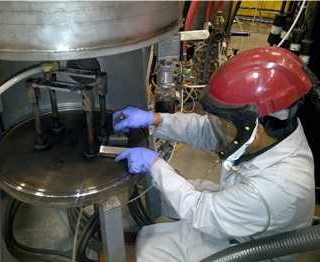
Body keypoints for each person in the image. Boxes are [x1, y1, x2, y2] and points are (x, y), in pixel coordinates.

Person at [113, 47, 316, 261]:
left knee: (152, 249)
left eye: (224, 123)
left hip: (255, 250)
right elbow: (207, 130)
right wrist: (156, 120)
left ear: (255, 129)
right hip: (250, 223)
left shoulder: (275, 187)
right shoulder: (277, 130)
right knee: (165, 208)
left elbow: (202, 213)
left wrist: (154, 164)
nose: (217, 127)